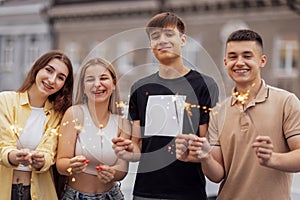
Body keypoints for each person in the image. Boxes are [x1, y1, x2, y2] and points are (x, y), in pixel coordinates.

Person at [175, 29, 300, 199]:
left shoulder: (286, 101)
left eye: (247, 56)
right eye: (233, 57)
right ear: (225, 62)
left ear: (262, 61)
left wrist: (272, 159)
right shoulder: (219, 112)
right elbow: (217, 174)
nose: (239, 62)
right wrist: (205, 157)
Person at [112, 12, 219, 200]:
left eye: (169, 34)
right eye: (155, 36)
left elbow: (207, 146)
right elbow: (137, 148)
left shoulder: (204, 85)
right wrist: (128, 151)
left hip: (188, 192)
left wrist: (191, 149)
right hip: (145, 193)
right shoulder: (140, 88)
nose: (162, 40)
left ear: (183, 40)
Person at [0, 50, 74, 200]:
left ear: (64, 85)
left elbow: (50, 153)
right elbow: (3, 144)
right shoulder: (5, 101)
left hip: (39, 193)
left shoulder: (58, 114)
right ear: (37, 69)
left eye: (60, 77)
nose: (52, 80)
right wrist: (14, 156)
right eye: (49, 70)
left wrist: (42, 160)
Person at [56, 57, 130, 200]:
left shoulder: (122, 122)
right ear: (83, 87)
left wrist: (113, 173)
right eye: (90, 79)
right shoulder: (74, 114)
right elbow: (61, 164)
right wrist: (71, 165)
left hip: (112, 196)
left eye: (103, 78)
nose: (97, 84)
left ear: (114, 84)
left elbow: (123, 168)